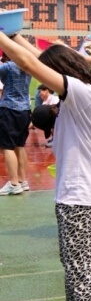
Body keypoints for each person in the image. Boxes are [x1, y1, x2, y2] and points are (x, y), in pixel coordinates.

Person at [0, 35, 91, 301]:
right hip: (76, 193)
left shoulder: (78, 93)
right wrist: (15, 35)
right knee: (71, 262)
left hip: (82, 196)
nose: (44, 86)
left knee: (82, 274)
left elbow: (32, 63)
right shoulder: (89, 91)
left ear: (61, 72)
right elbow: (38, 58)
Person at [0, 52, 31, 195]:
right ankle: (22, 180)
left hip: (9, 108)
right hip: (25, 109)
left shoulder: (7, 66)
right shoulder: (28, 66)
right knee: (20, 145)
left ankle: (13, 183)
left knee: (6, 147)